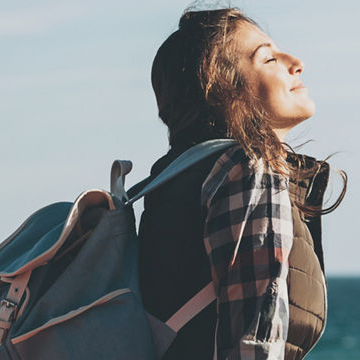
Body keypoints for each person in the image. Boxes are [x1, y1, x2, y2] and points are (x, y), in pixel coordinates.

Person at [136, 7, 347, 360]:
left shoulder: (175, 178)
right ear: (224, 90)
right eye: (268, 59)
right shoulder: (245, 169)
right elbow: (253, 343)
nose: (295, 62)